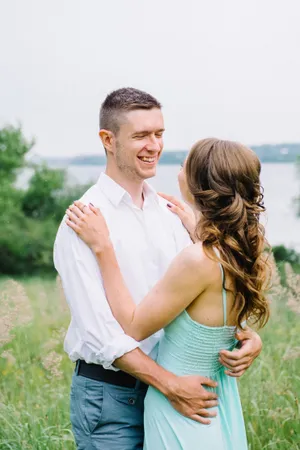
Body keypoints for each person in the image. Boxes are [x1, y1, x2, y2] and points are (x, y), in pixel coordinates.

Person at [54, 88, 264, 450]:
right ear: (108, 140)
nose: (154, 145)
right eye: (141, 136)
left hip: (177, 396)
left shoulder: (170, 214)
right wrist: (168, 384)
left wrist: (244, 335)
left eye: (159, 133)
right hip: (113, 399)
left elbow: (202, 296)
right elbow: (102, 334)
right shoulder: (84, 222)